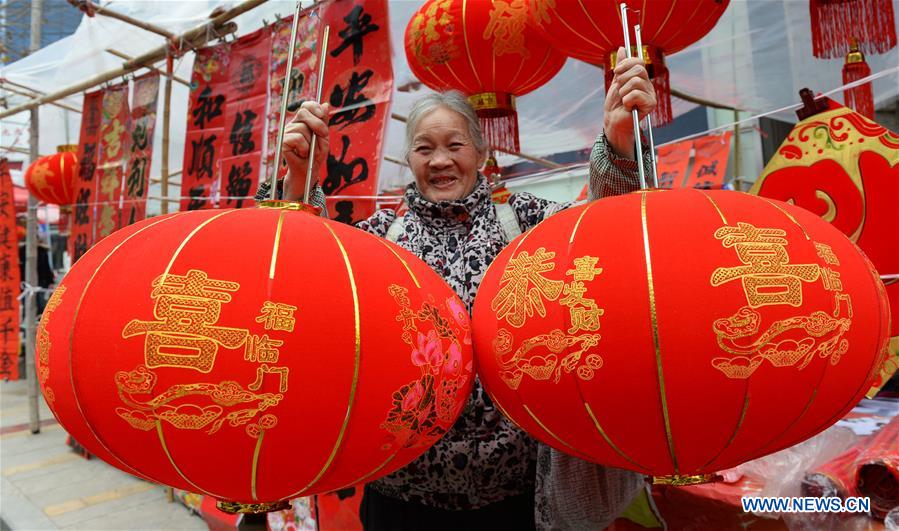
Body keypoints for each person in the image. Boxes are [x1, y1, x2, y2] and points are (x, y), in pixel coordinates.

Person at [258, 47, 657, 530]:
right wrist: (299, 181)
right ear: (409, 160)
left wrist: (618, 144)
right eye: (424, 149)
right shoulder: (380, 241)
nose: (440, 160)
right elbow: (304, 271)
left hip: (517, 500)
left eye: (456, 145)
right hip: (400, 499)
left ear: (482, 154)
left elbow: (605, 238)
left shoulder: (526, 226)